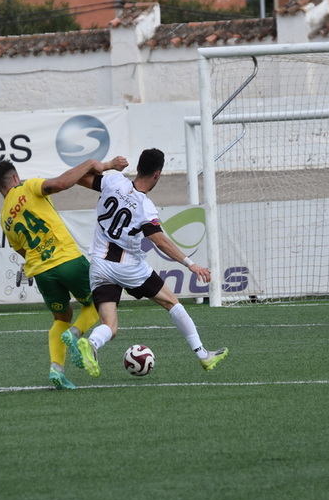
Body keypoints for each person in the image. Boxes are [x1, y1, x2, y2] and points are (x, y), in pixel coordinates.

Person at [72, 148, 228, 376]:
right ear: (157, 174)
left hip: (99, 265)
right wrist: (190, 264)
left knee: (110, 326)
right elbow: (159, 240)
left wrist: (106, 165)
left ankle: (92, 344)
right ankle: (203, 355)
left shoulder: (114, 180)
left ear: (139, 166)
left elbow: (77, 177)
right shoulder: (145, 207)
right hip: (129, 268)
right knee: (172, 303)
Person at [0, 155, 128, 389]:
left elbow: (23, 251)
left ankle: (57, 370)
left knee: (61, 317)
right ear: (15, 177)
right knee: (101, 299)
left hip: (41, 271)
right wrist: (91, 164)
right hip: (67, 259)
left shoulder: (4, 218)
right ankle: (75, 333)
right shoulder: (29, 186)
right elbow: (61, 184)